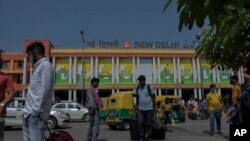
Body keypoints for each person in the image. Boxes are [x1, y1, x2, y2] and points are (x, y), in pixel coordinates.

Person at [23, 42, 55, 141]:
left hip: (35, 114)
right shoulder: (38, 67)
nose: (29, 58)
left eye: (29, 55)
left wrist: (36, 111)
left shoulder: (45, 66)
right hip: (28, 113)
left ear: (34, 53)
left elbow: (45, 89)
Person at [0, 50, 15, 141]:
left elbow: (12, 93)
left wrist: (2, 104)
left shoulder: (5, 77)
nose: (1, 61)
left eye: (1, 59)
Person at [135, 75, 156, 141]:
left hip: (149, 108)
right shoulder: (138, 88)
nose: (140, 82)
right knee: (140, 122)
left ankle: (149, 137)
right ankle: (142, 136)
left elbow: (153, 97)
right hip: (140, 108)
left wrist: (154, 106)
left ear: (144, 80)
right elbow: (138, 97)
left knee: (149, 123)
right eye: (139, 81)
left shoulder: (149, 87)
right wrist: (136, 104)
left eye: (141, 81)